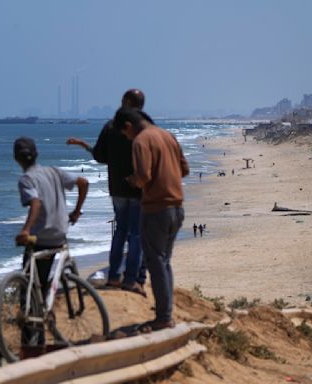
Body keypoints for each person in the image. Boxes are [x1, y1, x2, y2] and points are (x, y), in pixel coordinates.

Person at [66, 89, 148, 297]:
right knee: (136, 234)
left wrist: (86, 146)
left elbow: (100, 156)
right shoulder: (143, 128)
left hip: (118, 189)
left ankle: (113, 276)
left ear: (126, 102)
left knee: (121, 230)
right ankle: (131, 279)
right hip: (139, 189)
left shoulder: (111, 127)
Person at [114, 107, 189, 331]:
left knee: (155, 263)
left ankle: (164, 318)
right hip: (177, 206)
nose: (127, 138)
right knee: (164, 262)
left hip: (156, 209)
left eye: (124, 134)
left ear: (128, 126)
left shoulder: (140, 141)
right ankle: (166, 313)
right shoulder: (168, 136)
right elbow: (184, 169)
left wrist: (132, 180)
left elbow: (144, 176)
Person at [14, 136, 88, 298]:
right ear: (37, 154)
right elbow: (83, 182)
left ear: (16, 158)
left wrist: (26, 230)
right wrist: (76, 211)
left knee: (30, 281)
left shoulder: (26, 179)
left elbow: (35, 202)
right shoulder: (54, 171)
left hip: (41, 238)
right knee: (44, 273)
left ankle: (31, 313)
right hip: (61, 234)